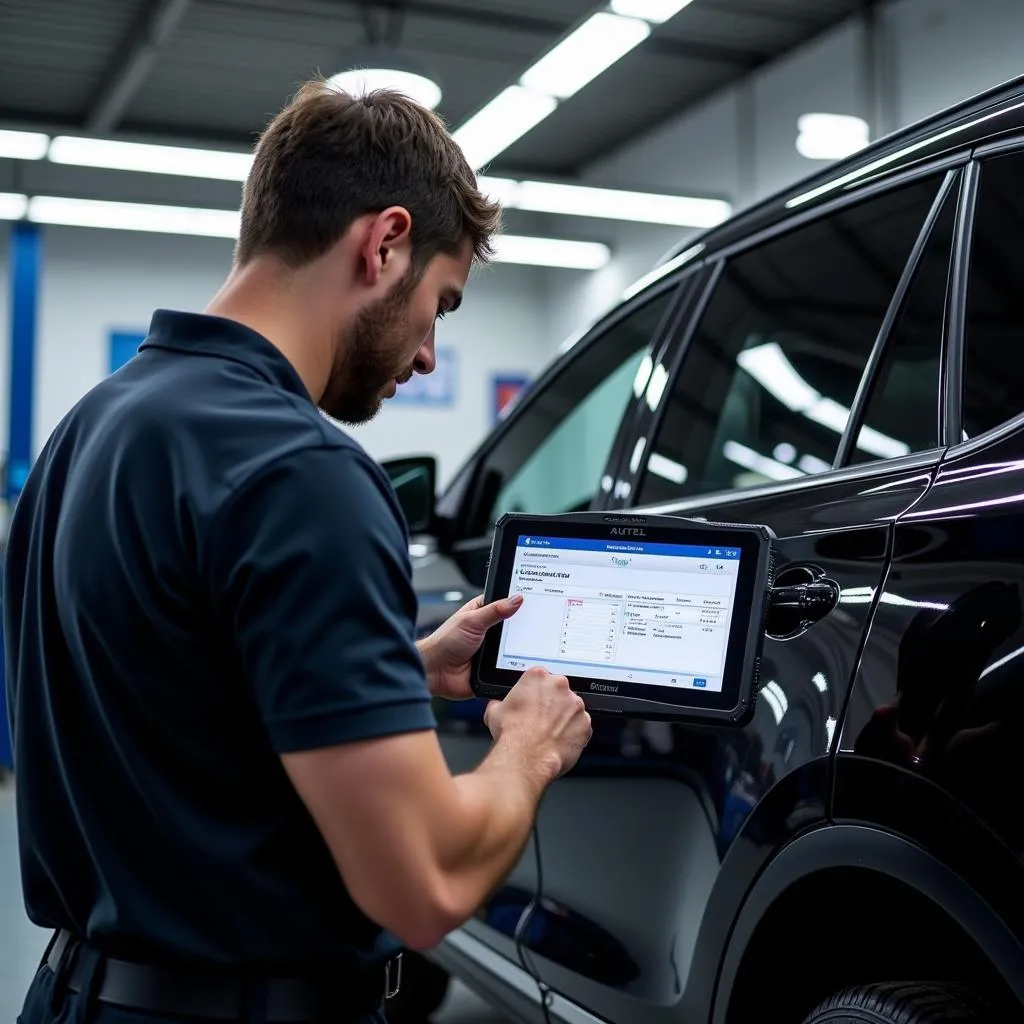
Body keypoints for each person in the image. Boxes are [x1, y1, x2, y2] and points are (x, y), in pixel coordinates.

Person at [4, 79, 593, 1024]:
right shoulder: (305, 470)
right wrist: (530, 749)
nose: (430, 353)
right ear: (384, 241)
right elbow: (424, 884)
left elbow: (172, 700)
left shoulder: (94, 427)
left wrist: (400, 668)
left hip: (74, 993)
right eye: (440, 304)